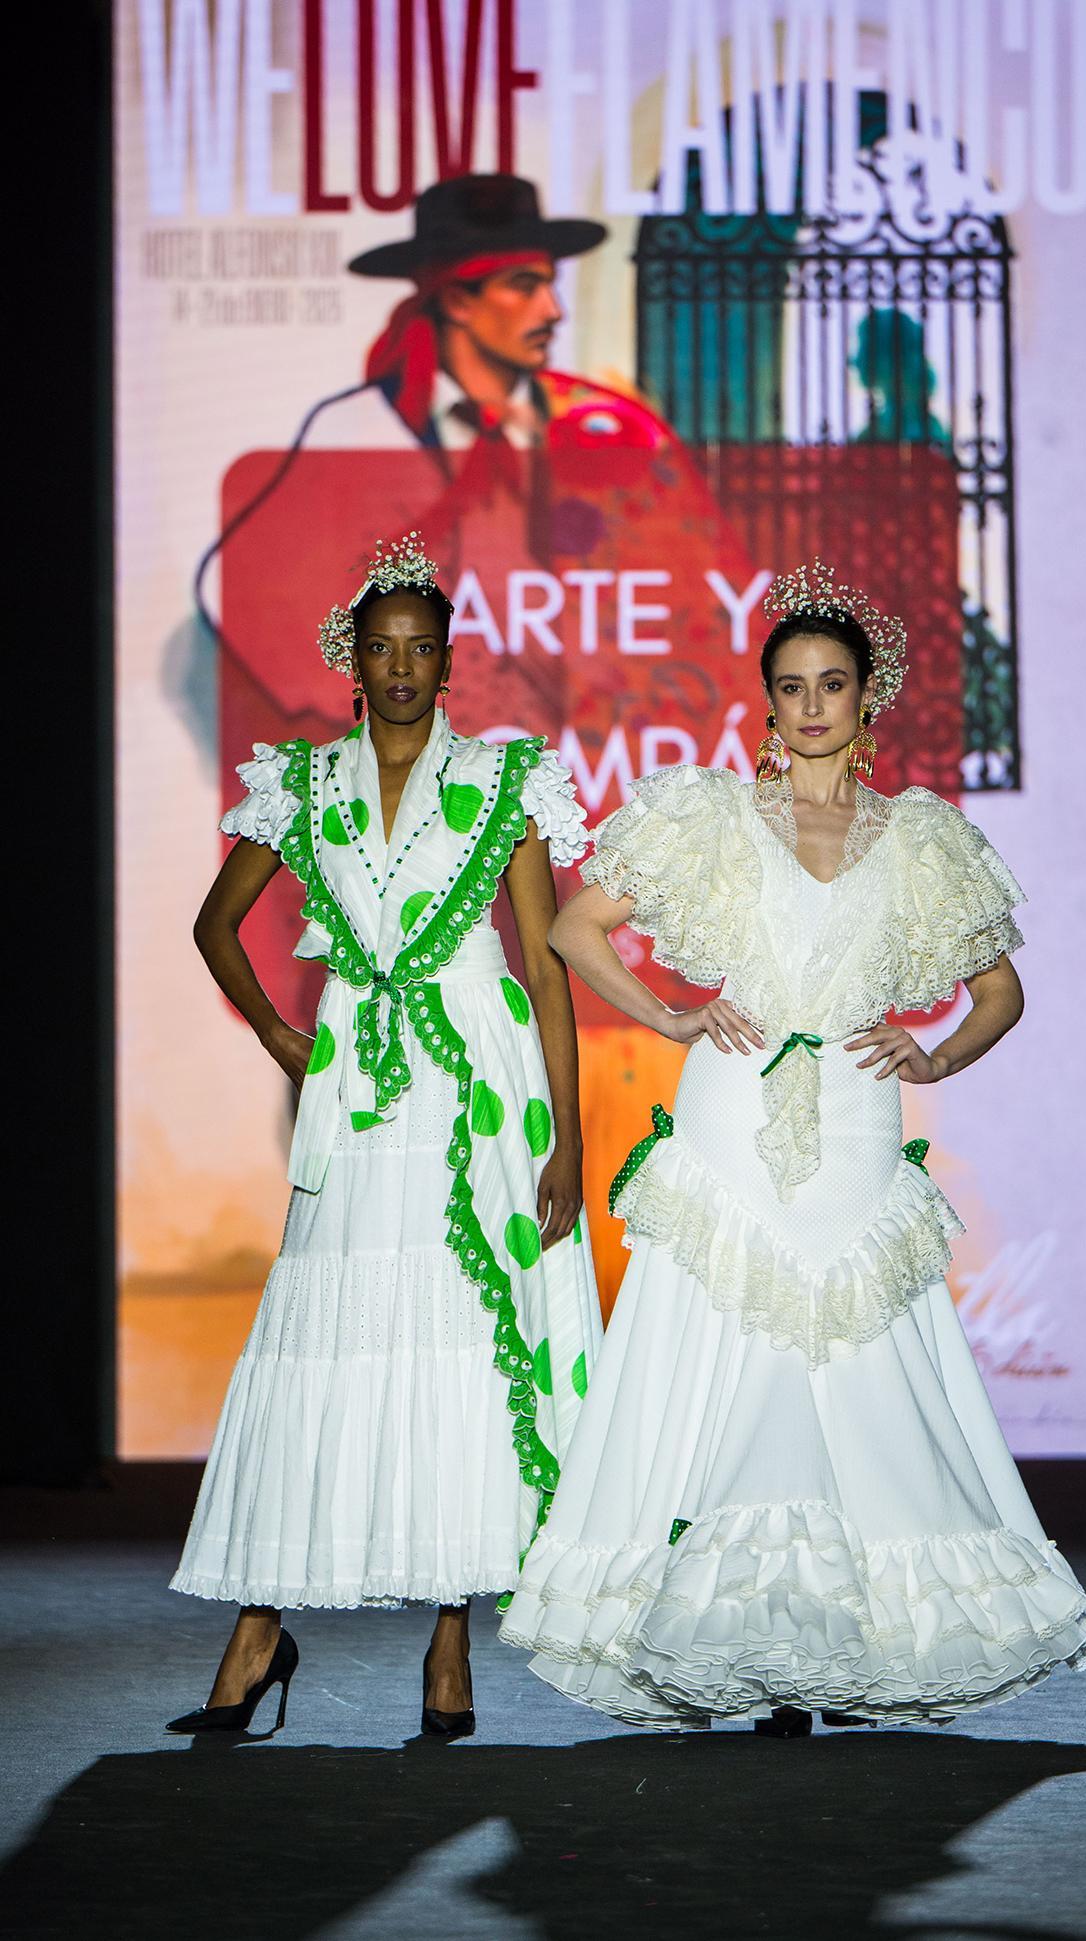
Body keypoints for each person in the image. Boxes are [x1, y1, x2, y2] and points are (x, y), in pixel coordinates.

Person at [499, 560, 1086, 1731]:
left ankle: (843, 1642)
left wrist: (933, 1058)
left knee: (851, 1365)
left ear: (867, 695)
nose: (813, 705)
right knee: (740, 1350)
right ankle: (741, 1642)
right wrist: (672, 1012)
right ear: (766, 704)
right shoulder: (714, 815)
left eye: (833, 683)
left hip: (859, 1126)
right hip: (733, 1105)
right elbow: (577, 929)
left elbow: (1000, 993)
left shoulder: (924, 838)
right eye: (791, 687)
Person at [168, 532, 601, 1738]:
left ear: (448, 665)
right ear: (350, 659)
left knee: (462, 1340)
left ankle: (450, 1639)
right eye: (381, 646)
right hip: (361, 1081)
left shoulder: (510, 780)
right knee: (326, 1328)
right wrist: (275, 1037)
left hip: (479, 1078)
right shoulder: (305, 787)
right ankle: (258, 1629)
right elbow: (215, 926)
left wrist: (570, 1135)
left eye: (422, 649)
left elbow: (550, 970)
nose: (401, 666)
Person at [302, 173, 678, 457]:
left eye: (551, 286)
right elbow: (331, 559)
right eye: (524, 286)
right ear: (456, 302)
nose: (554, 312)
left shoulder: (605, 424)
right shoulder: (359, 427)